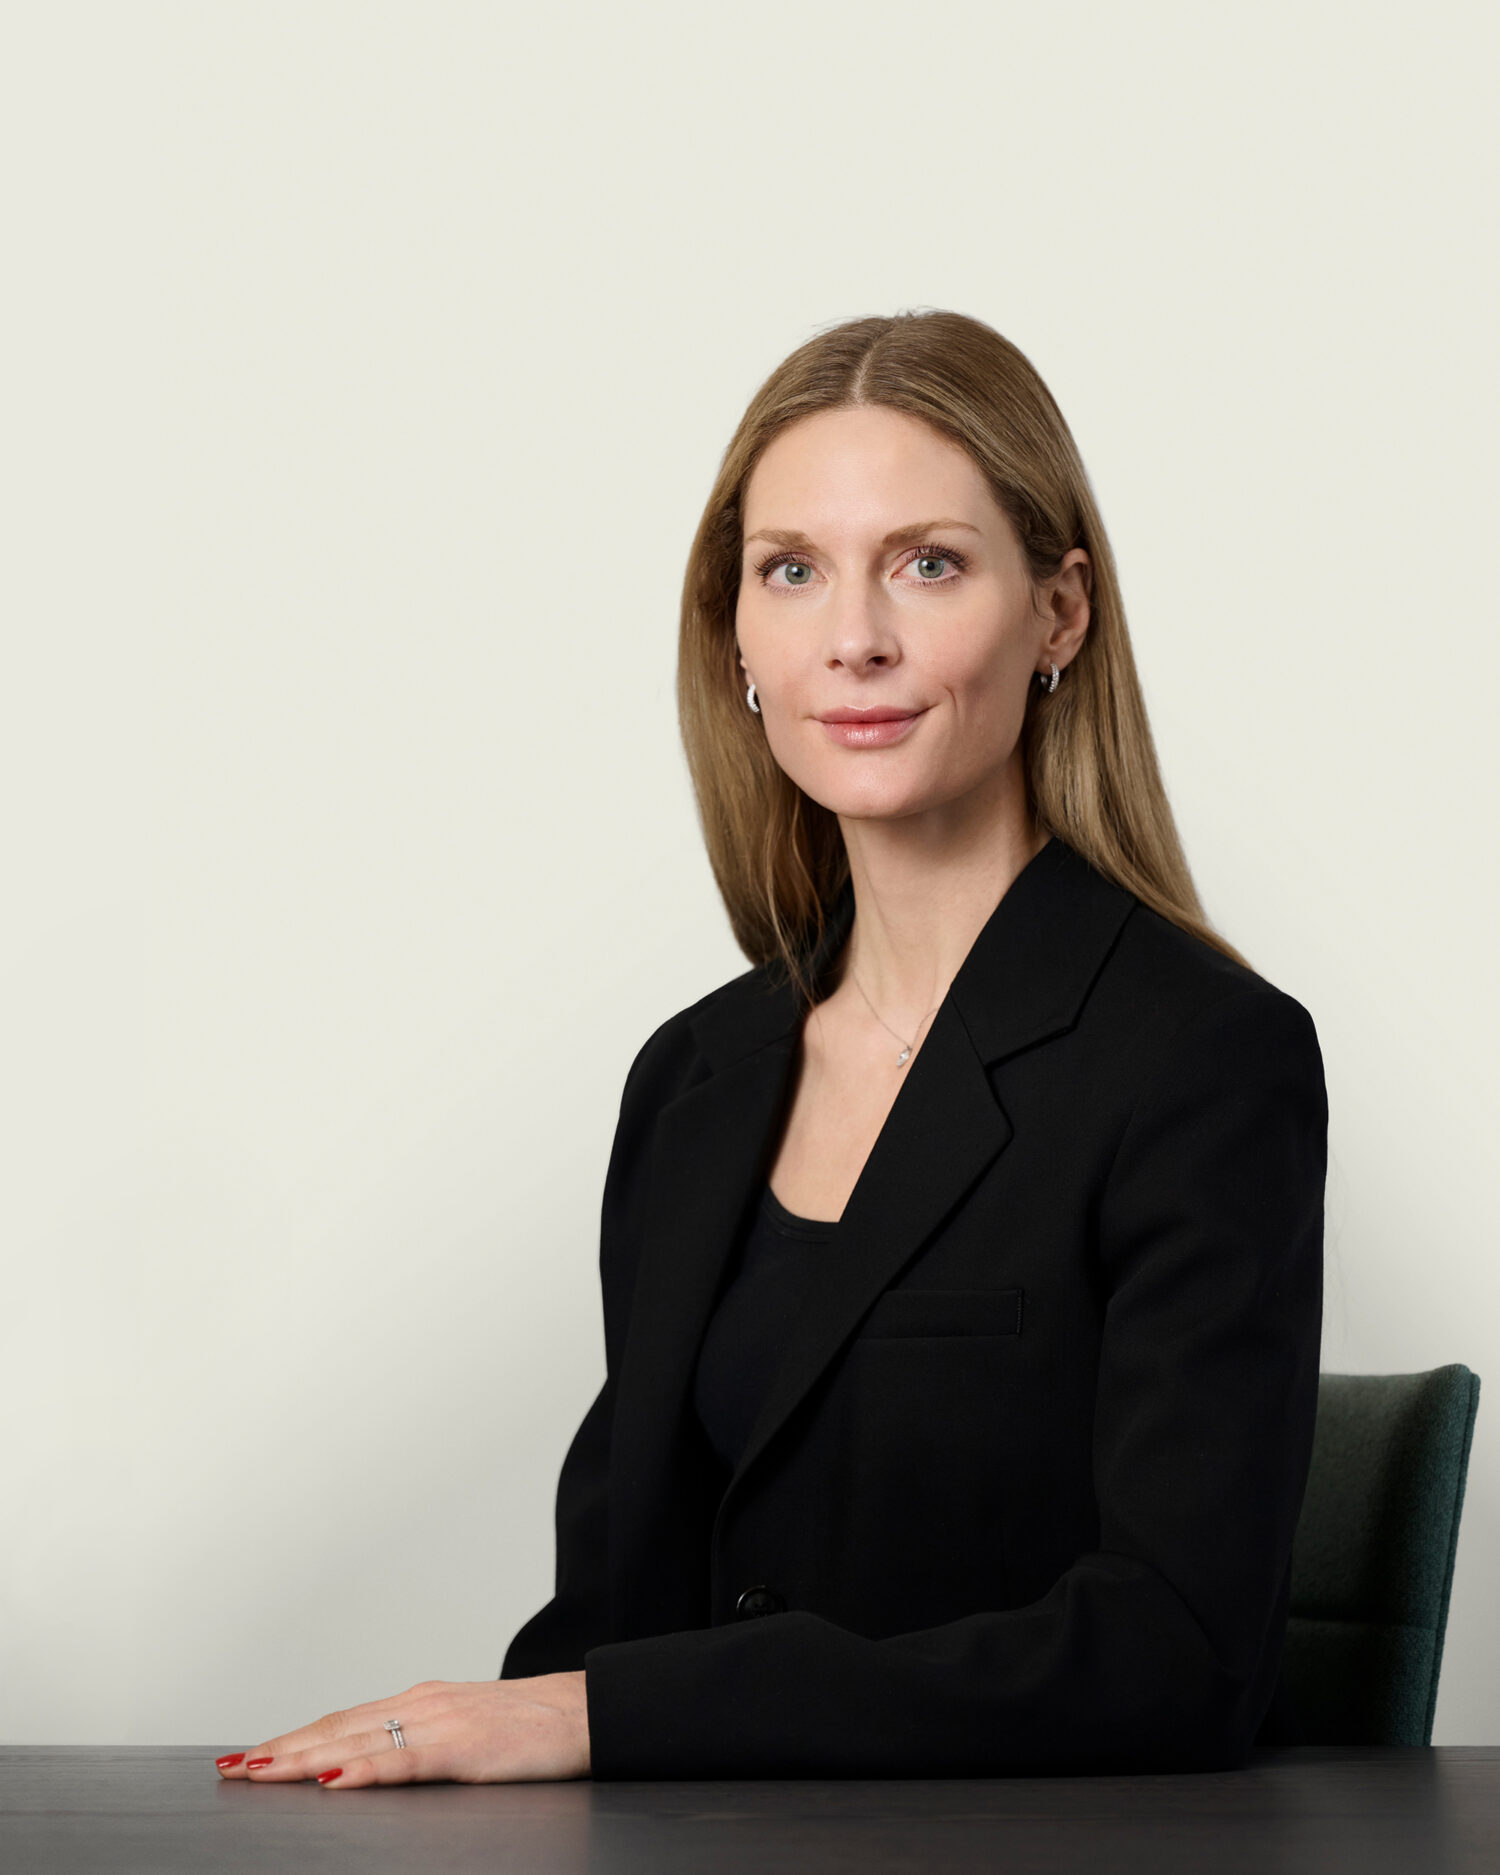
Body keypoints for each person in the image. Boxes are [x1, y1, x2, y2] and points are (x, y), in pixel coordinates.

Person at [215, 309, 1327, 1790]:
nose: (853, 637)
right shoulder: (696, 1077)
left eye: (928, 564)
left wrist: (607, 1716)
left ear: (1059, 614)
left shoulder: (1204, 1060)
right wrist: (472, 1747)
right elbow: (614, 1613)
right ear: (737, 637)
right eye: (792, 570)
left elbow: (1174, 1657)